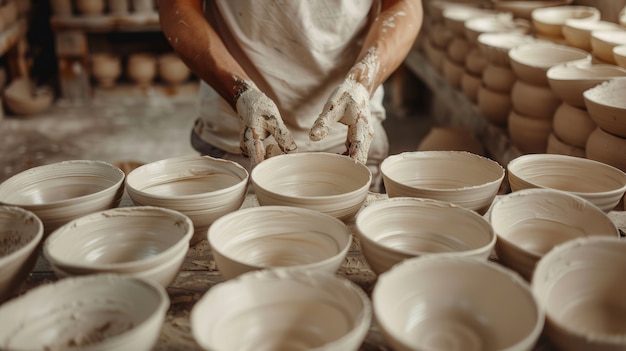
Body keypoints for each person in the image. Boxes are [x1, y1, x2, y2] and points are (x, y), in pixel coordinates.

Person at [159, 0, 423, 191]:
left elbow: (403, 5)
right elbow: (178, 6)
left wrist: (363, 82)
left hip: (350, 138)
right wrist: (239, 90)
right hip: (243, 141)